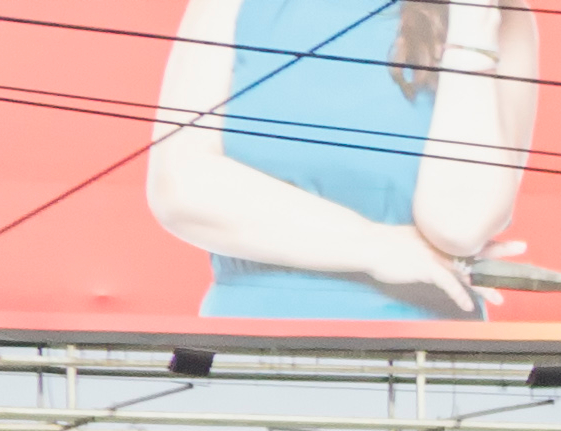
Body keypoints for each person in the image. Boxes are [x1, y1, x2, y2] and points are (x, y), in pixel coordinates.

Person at [147, 0, 539, 322]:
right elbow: (182, 187)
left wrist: (470, 33)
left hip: (423, 362)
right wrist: (376, 247)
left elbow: (459, 224)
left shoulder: (501, 19)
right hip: (252, 349)